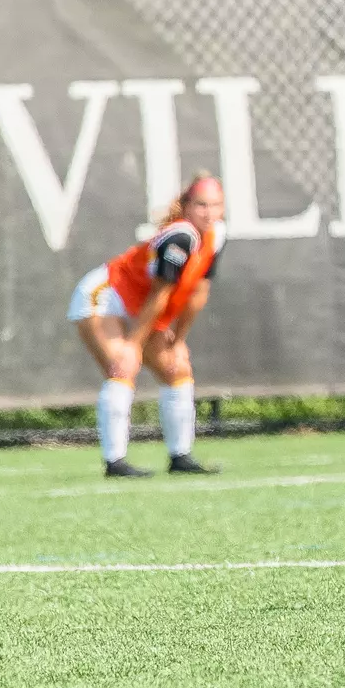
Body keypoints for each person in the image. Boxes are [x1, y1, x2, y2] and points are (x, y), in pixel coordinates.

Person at [67, 173, 226, 477]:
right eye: (201, 205)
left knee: (176, 368)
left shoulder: (216, 235)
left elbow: (197, 294)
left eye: (216, 205)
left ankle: (181, 457)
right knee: (123, 365)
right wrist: (133, 344)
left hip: (139, 307)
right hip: (105, 295)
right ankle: (115, 462)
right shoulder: (181, 236)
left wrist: (178, 340)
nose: (209, 213)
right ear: (186, 206)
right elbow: (159, 294)